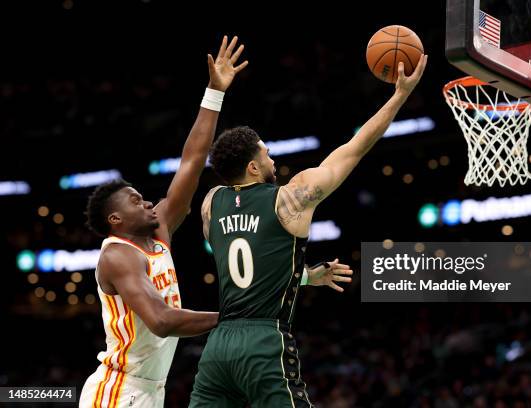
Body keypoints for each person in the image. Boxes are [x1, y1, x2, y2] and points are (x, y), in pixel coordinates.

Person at [189, 54, 428, 407]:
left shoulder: (211, 204)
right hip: (263, 340)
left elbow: (245, 267)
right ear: (254, 167)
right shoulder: (290, 199)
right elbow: (353, 150)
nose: (273, 159)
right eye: (267, 155)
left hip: (218, 346)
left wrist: (302, 277)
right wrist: (400, 96)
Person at [79, 35, 248, 408]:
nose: (150, 202)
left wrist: (214, 93)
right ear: (116, 218)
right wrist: (235, 315)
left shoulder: (158, 231)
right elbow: (160, 319)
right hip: (118, 389)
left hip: (152, 389)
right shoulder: (118, 255)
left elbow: (192, 160)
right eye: (138, 200)